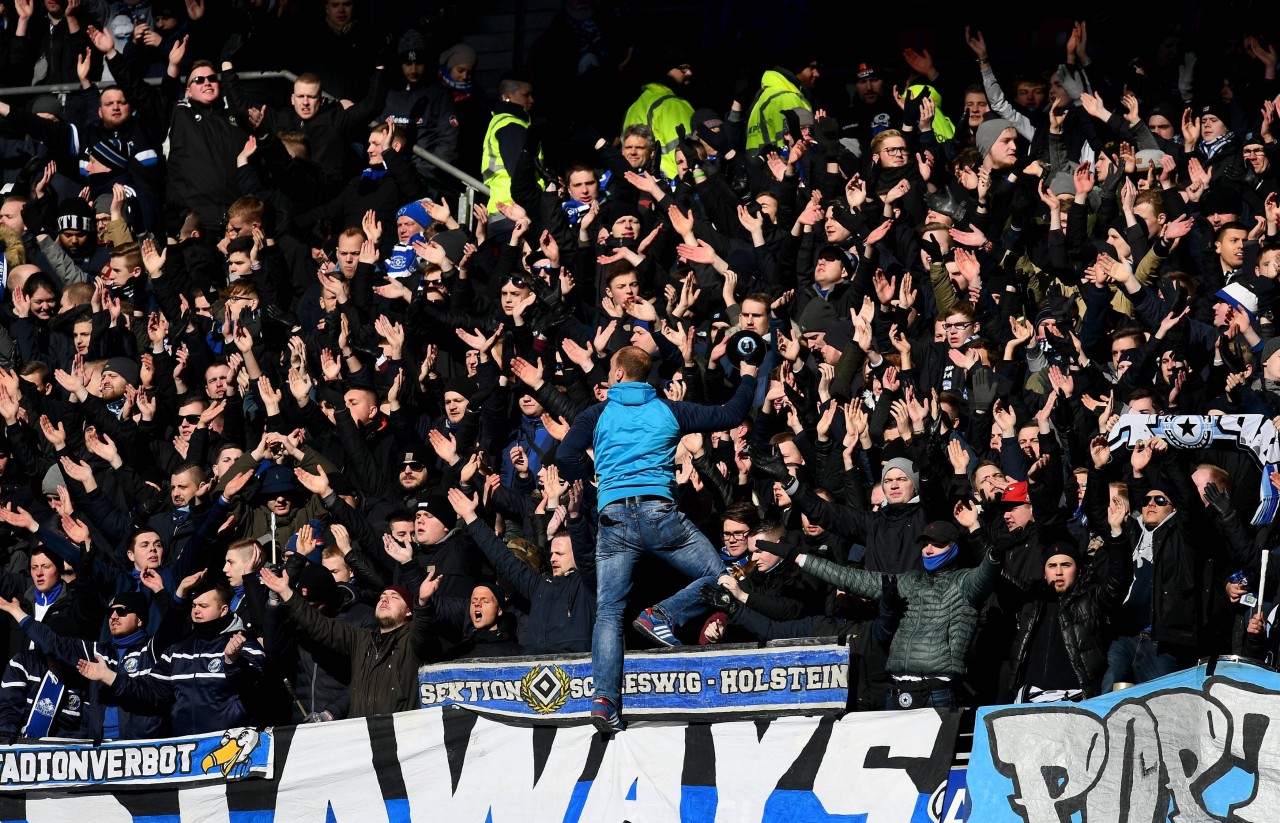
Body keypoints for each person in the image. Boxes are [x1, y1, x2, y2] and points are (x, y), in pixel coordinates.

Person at [558, 345, 759, 732]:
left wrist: (594, 474)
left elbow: (566, 454)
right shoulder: (669, 409)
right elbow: (730, 414)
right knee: (721, 577)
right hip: (658, 514)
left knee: (609, 612)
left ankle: (603, 700)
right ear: (645, 376)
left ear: (617, 374)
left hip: (613, 519)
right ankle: (662, 614)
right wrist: (748, 372)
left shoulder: (597, 414)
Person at [257, 565, 439, 718]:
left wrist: (422, 603)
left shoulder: (413, 642)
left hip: (399, 735)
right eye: (383, 597)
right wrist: (286, 592)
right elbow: (318, 625)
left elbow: (424, 629)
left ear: (409, 611)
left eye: (394, 597)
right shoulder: (360, 639)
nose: (385, 600)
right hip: (361, 736)